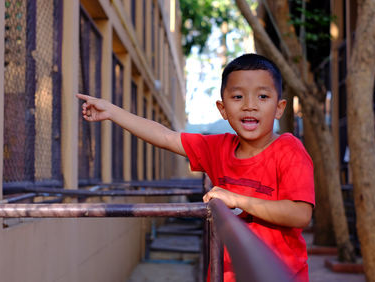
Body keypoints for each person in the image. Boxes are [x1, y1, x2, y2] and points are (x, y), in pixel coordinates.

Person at [77, 53, 314, 282]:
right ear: (222, 109)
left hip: (279, 275)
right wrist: (112, 112)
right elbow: (166, 137)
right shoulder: (217, 148)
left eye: (262, 97)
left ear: (280, 107)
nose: (250, 106)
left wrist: (237, 199)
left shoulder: (289, 150)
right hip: (225, 274)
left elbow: (300, 214)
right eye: (238, 97)